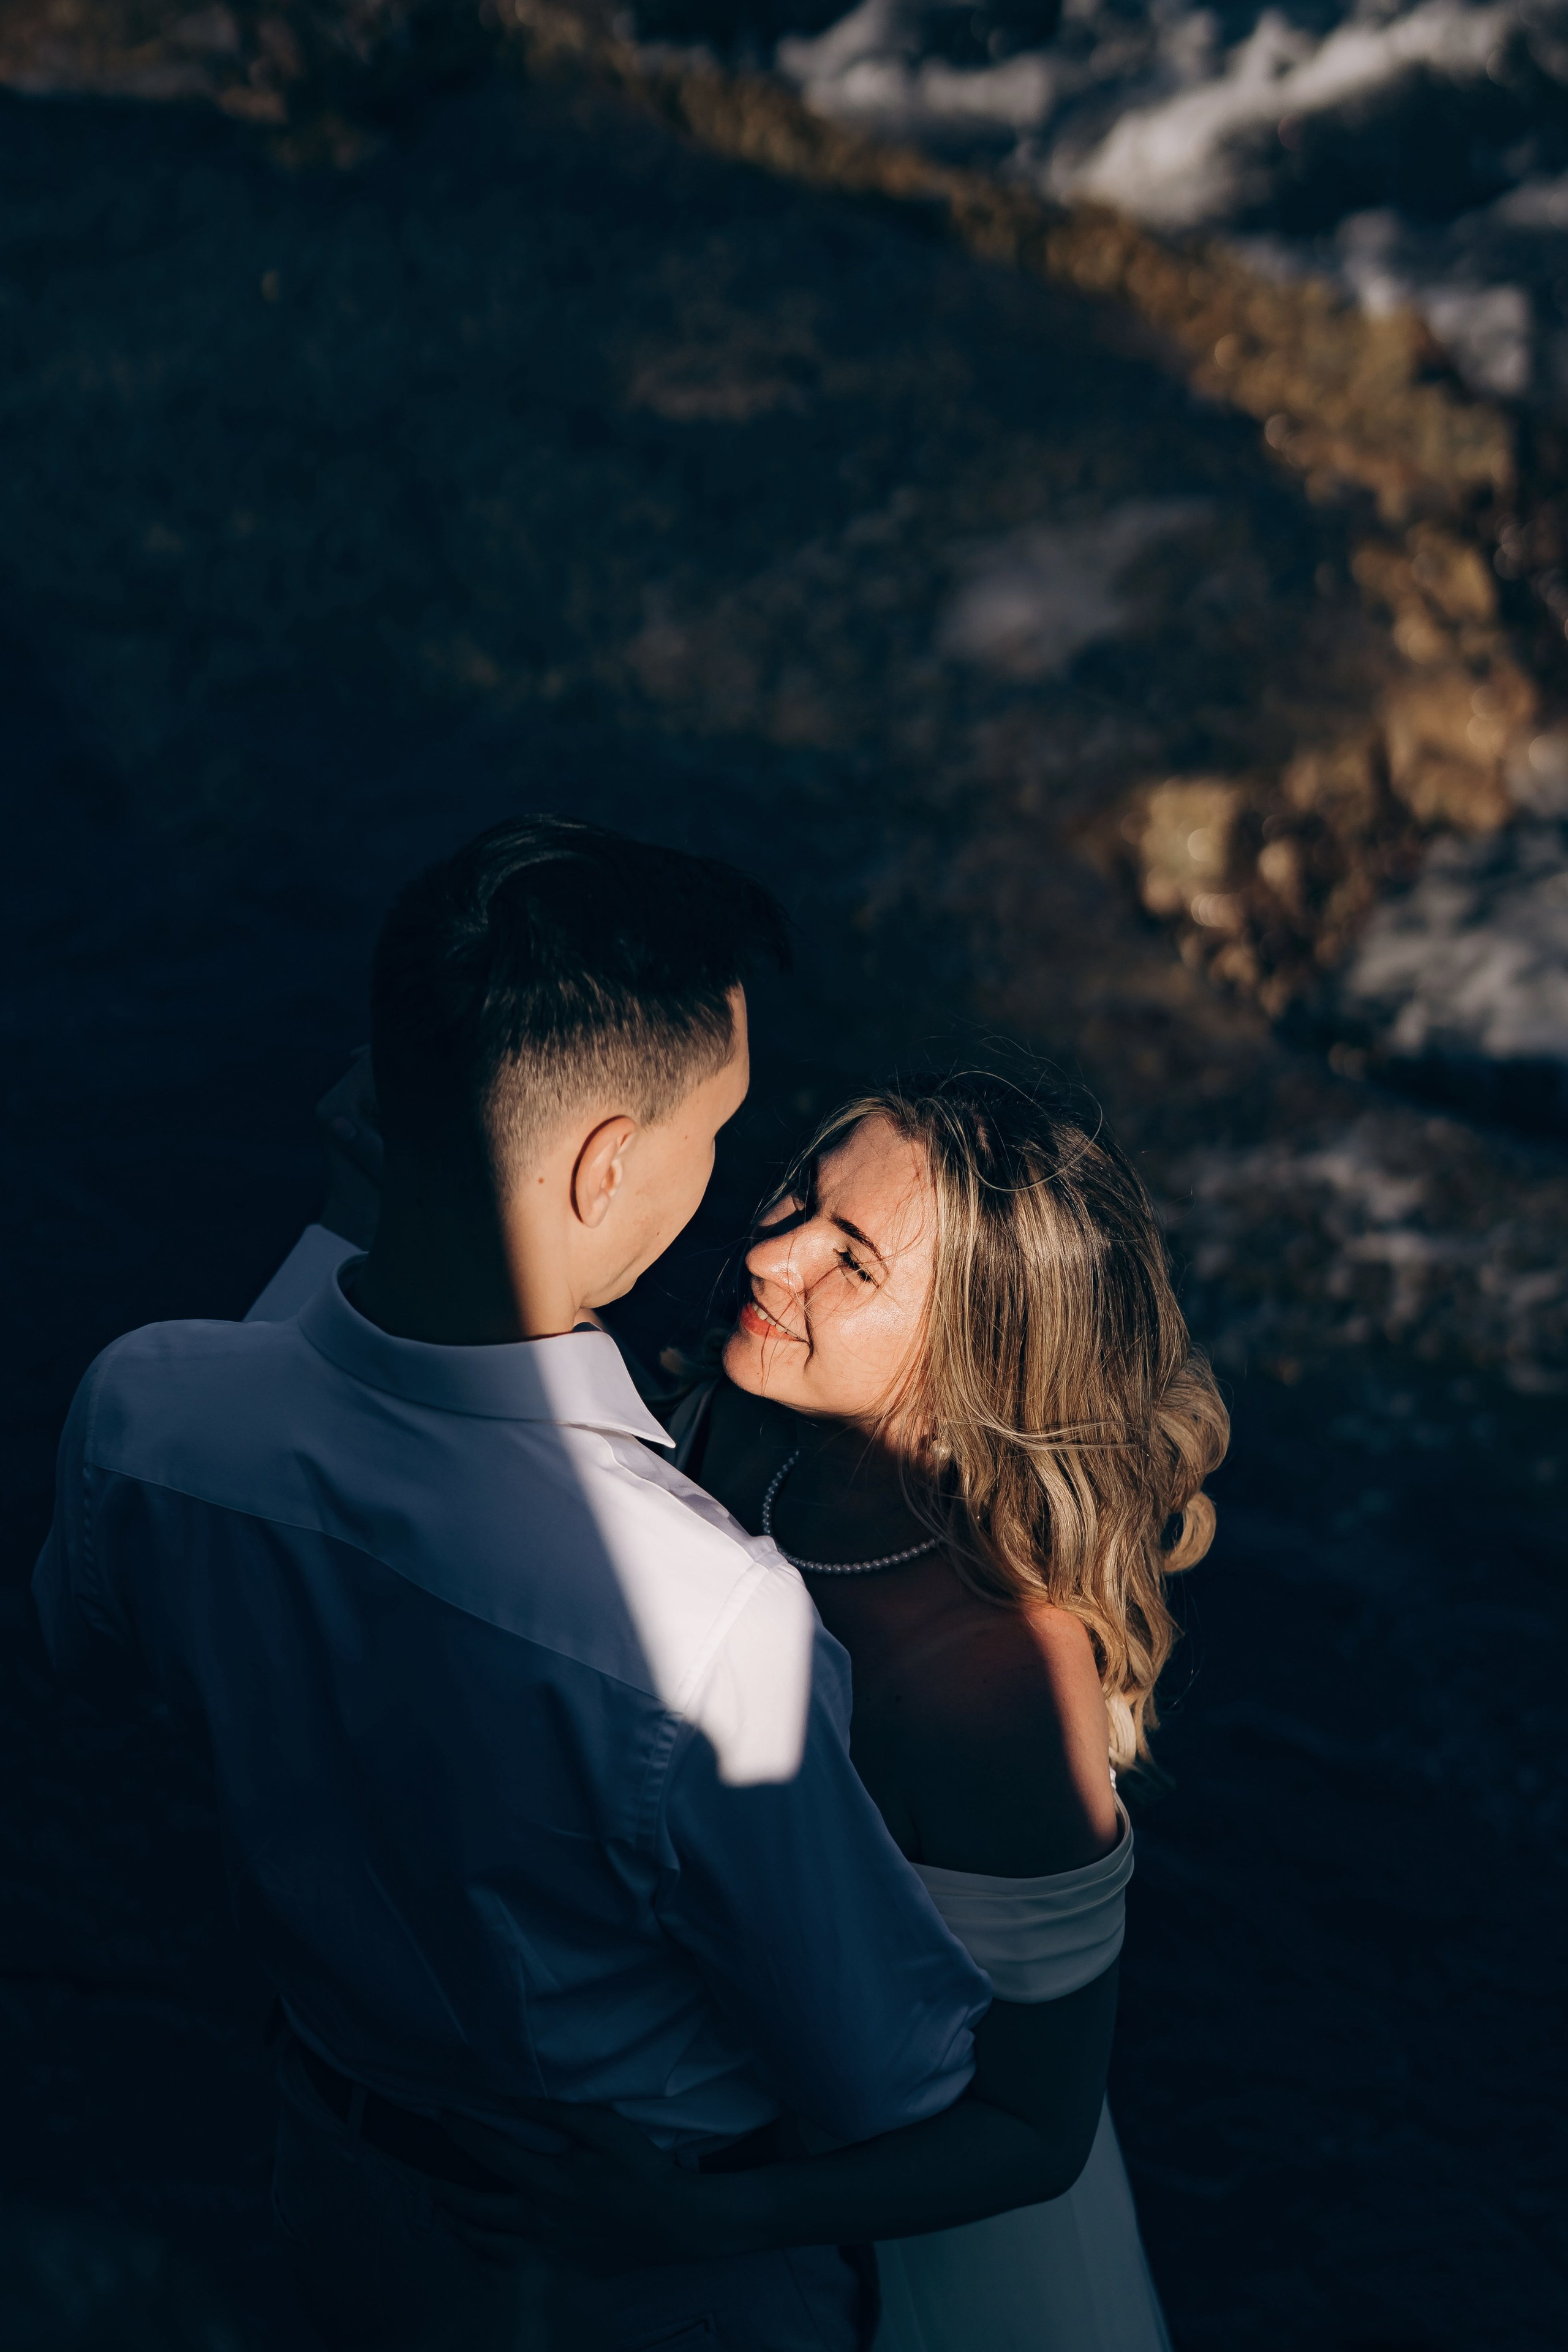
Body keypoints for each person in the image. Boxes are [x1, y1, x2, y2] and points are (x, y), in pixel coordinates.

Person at [35, 817, 1014, 2352]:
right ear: (607, 1164)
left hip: (336, 2188)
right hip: (638, 2271)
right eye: (716, 1133)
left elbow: (88, 1659)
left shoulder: (145, 1415)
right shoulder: (703, 1618)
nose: (728, 1185)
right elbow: (883, 2075)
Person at [318, 1060, 1231, 2350]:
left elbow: (1032, 2133)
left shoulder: (1003, 1682)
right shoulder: (739, 1425)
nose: (770, 1252)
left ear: (980, 1347)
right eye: (800, 1190)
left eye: (850, 1259)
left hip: (887, 2246)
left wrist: (700, 2222)